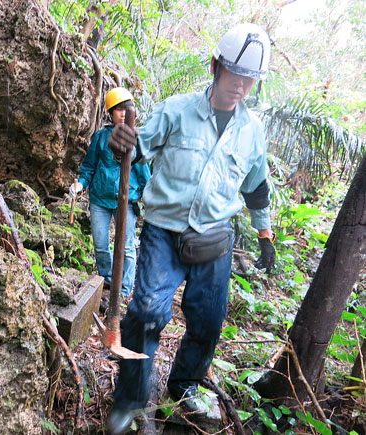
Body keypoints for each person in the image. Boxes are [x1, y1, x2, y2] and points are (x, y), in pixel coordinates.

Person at [104, 23, 277, 434]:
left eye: (249, 80)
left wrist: (265, 235)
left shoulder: (252, 132)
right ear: (216, 67)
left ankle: (182, 389)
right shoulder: (177, 109)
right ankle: (129, 400)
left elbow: (257, 188)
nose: (240, 86)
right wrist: (121, 141)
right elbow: (136, 147)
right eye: (235, 75)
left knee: (209, 322)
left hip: (214, 240)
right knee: (144, 312)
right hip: (164, 231)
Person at [69, 87, 151, 298]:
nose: (123, 114)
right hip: (99, 199)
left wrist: (150, 200)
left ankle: (124, 290)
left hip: (128, 201)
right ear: (110, 113)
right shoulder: (100, 137)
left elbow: (144, 175)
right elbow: (89, 166)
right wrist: (79, 184)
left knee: (127, 248)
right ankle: (106, 281)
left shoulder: (137, 139)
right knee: (101, 244)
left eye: (127, 109)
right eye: (118, 110)